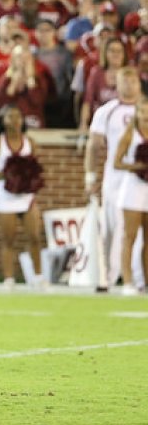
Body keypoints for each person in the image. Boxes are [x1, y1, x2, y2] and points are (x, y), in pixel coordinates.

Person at [86, 67, 145, 290]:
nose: (129, 85)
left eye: (133, 81)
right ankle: (108, 277)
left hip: (143, 180)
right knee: (111, 228)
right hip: (116, 178)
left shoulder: (145, 109)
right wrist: (90, 177)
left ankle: (140, 279)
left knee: (140, 231)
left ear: (139, 83)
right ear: (117, 85)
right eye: (125, 81)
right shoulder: (106, 111)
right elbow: (93, 146)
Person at [0, 105, 44, 288]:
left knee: (34, 236)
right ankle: (9, 278)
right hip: (6, 195)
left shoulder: (30, 142)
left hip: (26, 196)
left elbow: (36, 167)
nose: (15, 121)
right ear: (3, 121)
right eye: (10, 117)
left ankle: (38, 276)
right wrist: (3, 176)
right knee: (9, 239)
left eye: (18, 117)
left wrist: (29, 179)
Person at [113, 97, 148, 296]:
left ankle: (146, 280)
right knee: (130, 236)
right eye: (142, 111)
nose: (146, 115)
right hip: (133, 188)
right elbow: (116, 163)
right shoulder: (130, 134)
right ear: (137, 113)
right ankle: (127, 281)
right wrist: (136, 167)